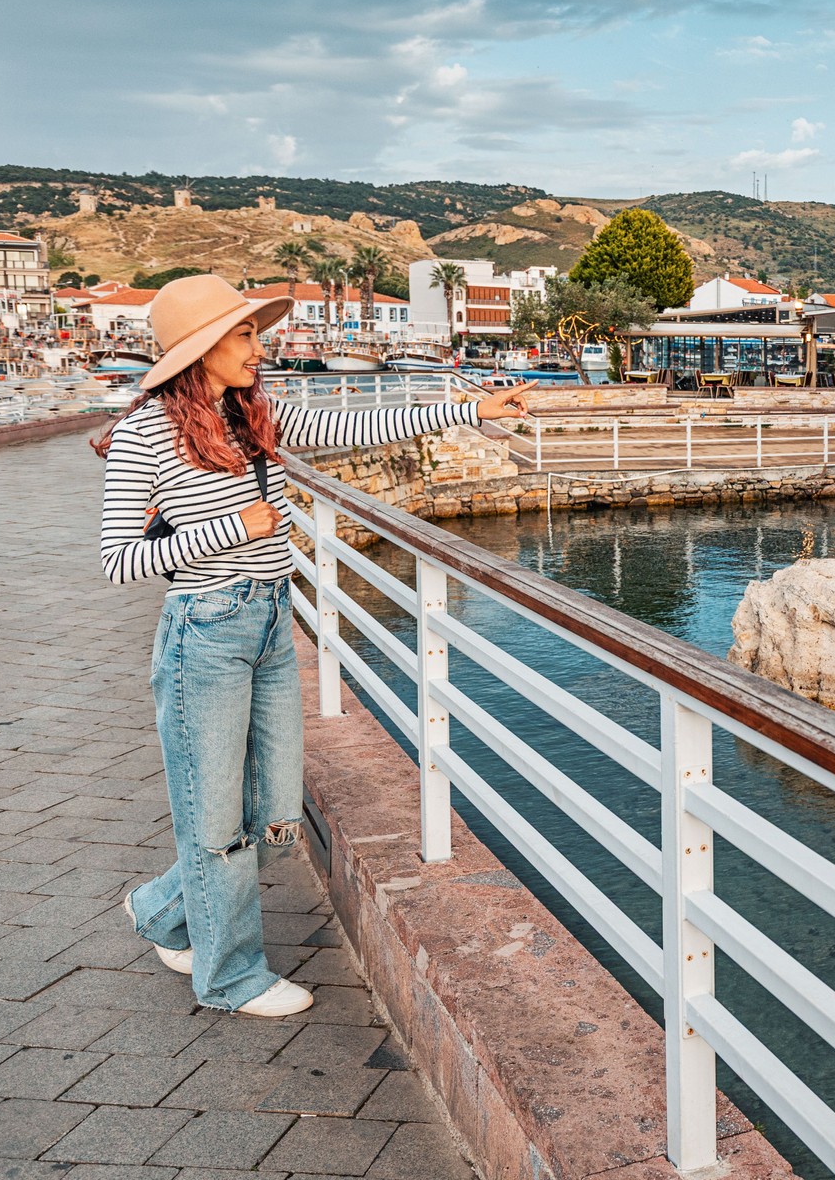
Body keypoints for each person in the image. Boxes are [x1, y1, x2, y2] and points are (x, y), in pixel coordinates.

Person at [94, 274, 532, 1017]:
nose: (258, 349)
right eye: (243, 336)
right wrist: (240, 528)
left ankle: (163, 911)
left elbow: (357, 428)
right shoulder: (143, 435)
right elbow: (119, 561)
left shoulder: (252, 415)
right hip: (205, 631)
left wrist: (471, 409)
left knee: (272, 813)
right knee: (213, 821)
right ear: (201, 350)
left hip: (269, 622)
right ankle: (229, 976)